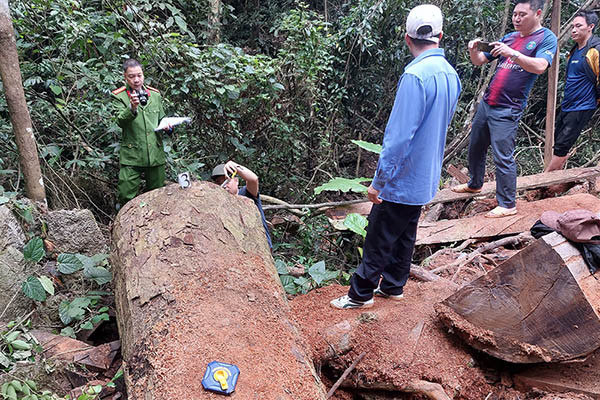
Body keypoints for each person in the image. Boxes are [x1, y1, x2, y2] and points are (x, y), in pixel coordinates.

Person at [330, 4, 461, 310]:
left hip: (403, 176)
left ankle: (359, 294)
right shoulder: (451, 75)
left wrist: (379, 182)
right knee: (405, 231)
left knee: (379, 233)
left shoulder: (415, 76)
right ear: (440, 36)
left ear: (407, 38)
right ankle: (393, 285)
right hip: (426, 175)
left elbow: (399, 138)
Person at [451, 0, 557, 217]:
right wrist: (473, 50)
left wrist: (513, 54)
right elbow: (480, 60)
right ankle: (474, 183)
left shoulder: (546, 38)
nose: (516, 19)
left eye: (522, 15)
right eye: (515, 14)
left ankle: (508, 204)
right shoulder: (508, 38)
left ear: (538, 13)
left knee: (503, 155)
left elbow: (540, 67)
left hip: (508, 107)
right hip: (488, 102)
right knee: (475, 147)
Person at [111, 58, 170, 208]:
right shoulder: (119, 96)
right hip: (133, 155)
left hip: (155, 153)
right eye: (131, 76)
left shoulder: (154, 95)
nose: (136, 80)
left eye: (139, 75)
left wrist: (168, 126)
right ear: (125, 77)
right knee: (125, 196)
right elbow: (120, 121)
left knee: (158, 196)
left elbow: (162, 118)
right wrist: (132, 108)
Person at [546, 10, 600, 172]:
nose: (573, 30)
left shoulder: (595, 50)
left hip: (583, 105)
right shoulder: (573, 51)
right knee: (558, 143)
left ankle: (541, 183)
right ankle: (554, 182)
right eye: (572, 27)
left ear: (590, 27)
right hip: (568, 104)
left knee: (562, 145)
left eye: (578, 26)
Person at [211, 161, 272, 249]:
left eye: (226, 180)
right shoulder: (220, 203)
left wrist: (236, 167)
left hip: (261, 248)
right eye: (219, 183)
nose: (223, 185)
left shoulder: (246, 193)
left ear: (236, 181)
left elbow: (253, 179)